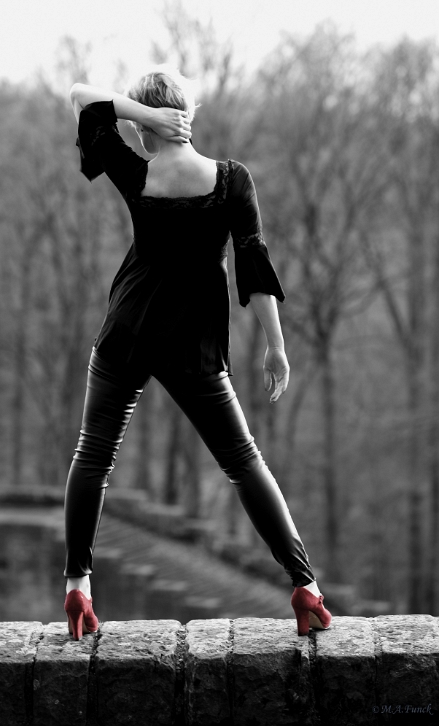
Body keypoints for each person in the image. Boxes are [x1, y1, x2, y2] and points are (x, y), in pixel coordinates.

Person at [63, 64, 332, 640]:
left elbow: (82, 97)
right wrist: (276, 345)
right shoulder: (231, 181)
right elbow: (253, 263)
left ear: (147, 126)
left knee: (93, 456)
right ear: (187, 114)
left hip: (128, 330)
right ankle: (305, 584)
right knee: (243, 461)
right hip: (194, 343)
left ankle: (78, 584)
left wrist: (138, 114)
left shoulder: (136, 173)